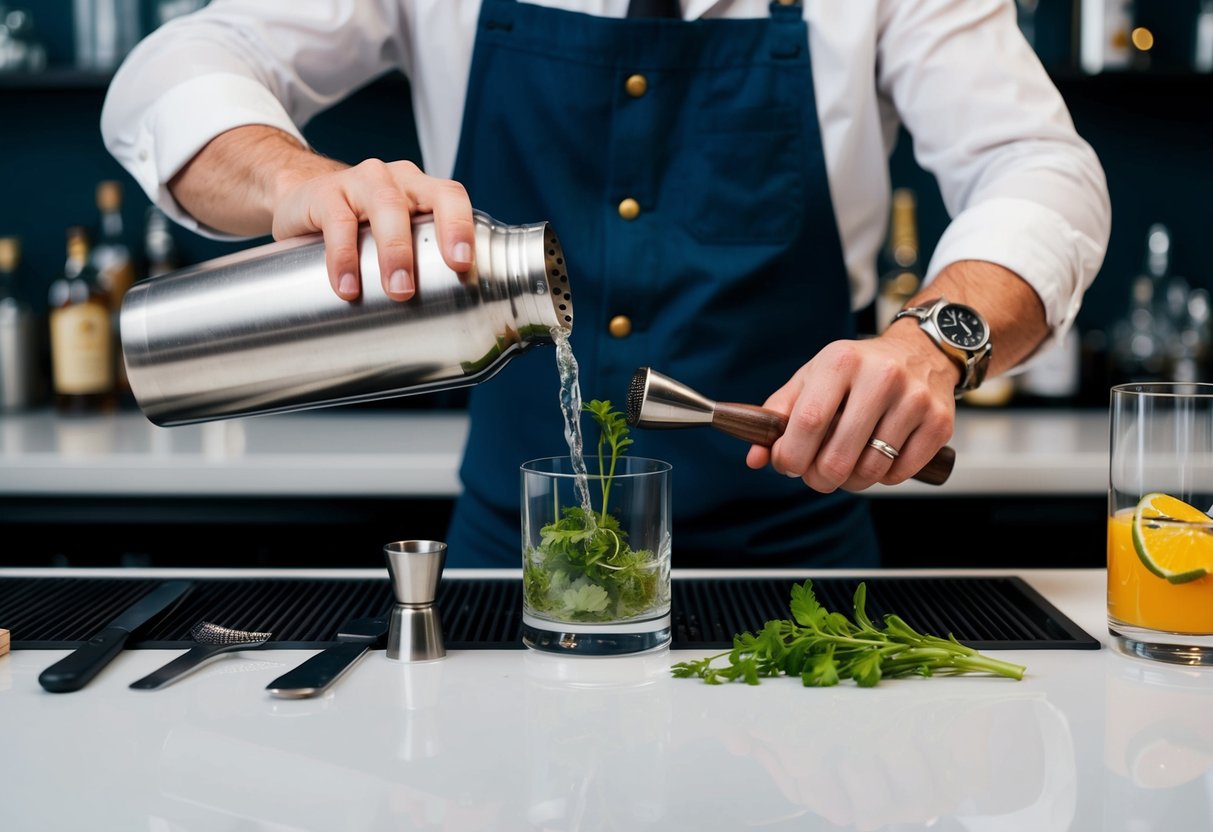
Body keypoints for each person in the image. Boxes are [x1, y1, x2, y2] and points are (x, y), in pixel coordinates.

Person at [100, 0, 1111, 569]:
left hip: (796, 562)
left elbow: (1038, 163)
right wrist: (293, 176)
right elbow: (176, 65)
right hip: (515, 565)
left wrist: (932, 341)